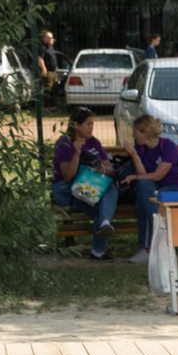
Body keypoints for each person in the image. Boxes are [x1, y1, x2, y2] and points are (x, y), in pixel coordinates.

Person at [123, 114, 178, 266]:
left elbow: (158, 175)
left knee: (146, 200)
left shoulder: (168, 146)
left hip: (175, 188)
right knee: (143, 191)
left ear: (145, 133)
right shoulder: (140, 148)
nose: (133, 135)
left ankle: (149, 246)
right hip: (156, 188)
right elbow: (144, 177)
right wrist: (135, 157)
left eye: (135, 131)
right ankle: (159, 240)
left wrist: (135, 176)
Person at [53, 106, 117, 261]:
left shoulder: (94, 142)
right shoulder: (65, 144)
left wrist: (100, 170)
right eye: (88, 124)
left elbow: (111, 170)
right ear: (76, 125)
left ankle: (104, 224)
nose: (91, 127)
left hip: (89, 188)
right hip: (68, 191)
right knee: (102, 203)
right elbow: (67, 177)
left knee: (110, 187)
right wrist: (76, 153)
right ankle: (99, 248)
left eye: (92, 124)